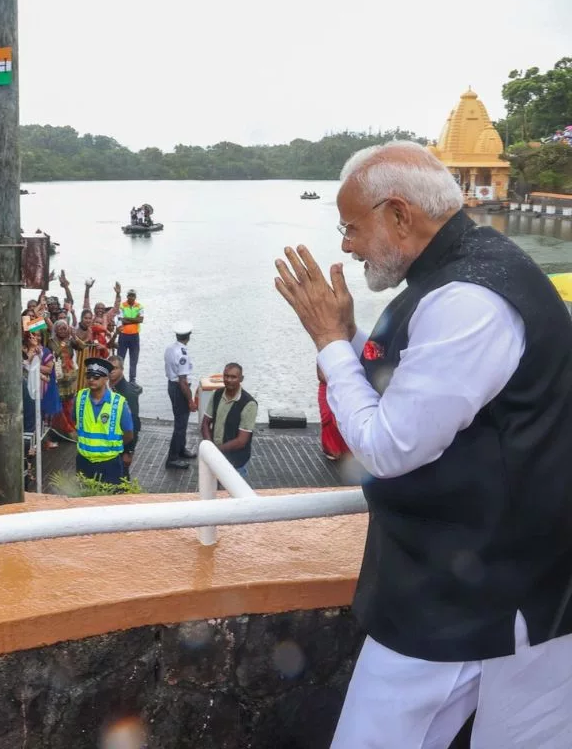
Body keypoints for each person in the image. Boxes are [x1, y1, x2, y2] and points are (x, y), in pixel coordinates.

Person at [274, 140, 572, 747]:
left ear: (399, 215)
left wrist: (330, 342)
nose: (346, 245)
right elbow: (423, 390)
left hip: (485, 596)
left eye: (352, 227)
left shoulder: (470, 300)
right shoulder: (461, 272)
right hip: (482, 578)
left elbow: (389, 445)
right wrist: (351, 337)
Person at [74, 357, 134, 484]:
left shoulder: (119, 403)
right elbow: (75, 420)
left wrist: (111, 447)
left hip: (109, 464)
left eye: (96, 377)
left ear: (106, 378)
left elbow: (128, 434)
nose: (91, 380)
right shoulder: (79, 398)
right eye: (88, 376)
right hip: (84, 462)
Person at [199, 363, 257, 476]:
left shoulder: (249, 404)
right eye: (226, 376)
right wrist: (210, 447)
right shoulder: (217, 394)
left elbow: (241, 441)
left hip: (235, 462)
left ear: (241, 379)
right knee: (213, 491)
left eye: (233, 377)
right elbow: (205, 423)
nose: (229, 380)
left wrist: (216, 451)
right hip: (215, 458)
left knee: (232, 493)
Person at [163, 322, 197, 469]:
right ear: (188, 336)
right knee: (180, 425)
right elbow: (183, 381)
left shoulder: (170, 348)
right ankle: (172, 458)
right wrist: (190, 400)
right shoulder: (183, 353)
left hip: (172, 385)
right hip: (179, 388)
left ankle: (181, 449)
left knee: (181, 422)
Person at [107, 354, 142, 473]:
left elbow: (135, 423)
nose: (111, 371)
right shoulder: (106, 388)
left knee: (122, 476)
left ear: (122, 370)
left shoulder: (128, 393)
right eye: (109, 368)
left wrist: (129, 451)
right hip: (107, 443)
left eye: (115, 368)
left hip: (122, 444)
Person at [317, 365, 349, 461]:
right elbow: (320, 375)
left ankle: (345, 450)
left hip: (343, 386)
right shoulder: (324, 356)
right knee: (327, 417)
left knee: (343, 418)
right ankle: (331, 448)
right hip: (327, 385)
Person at [115, 288, 143, 384]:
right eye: (129, 295)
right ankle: (119, 378)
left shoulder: (139, 306)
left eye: (133, 295)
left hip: (134, 336)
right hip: (123, 335)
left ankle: (132, 380)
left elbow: (140, 320)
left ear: (135, 297)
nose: (131, 297)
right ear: (127, 296)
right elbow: (122, 320)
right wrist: (134, 319)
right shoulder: (122, 305)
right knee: (120, 358)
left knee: (134, 359)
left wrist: (127, 319)